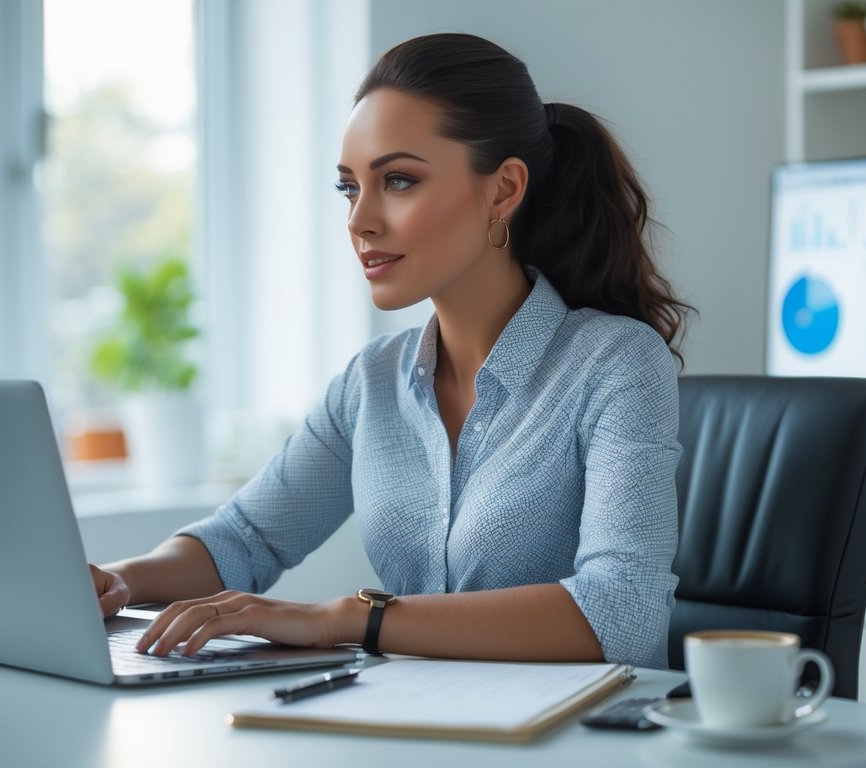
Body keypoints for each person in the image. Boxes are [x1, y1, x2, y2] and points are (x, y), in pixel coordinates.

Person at [90, 32, 692, 669]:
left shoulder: (618, 363)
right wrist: (121, 580)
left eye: (399, 180)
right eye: (349, 187)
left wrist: (346, 618)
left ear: (504, 190)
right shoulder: (373, 381)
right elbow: (246, 537)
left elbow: (621, 613)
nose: (360, 220)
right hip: (413, 724)